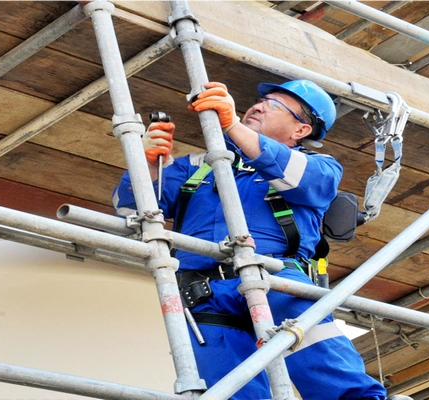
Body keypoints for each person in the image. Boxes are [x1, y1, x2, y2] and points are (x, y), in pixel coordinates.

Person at [113, 80, 390, 400]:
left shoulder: (321, 168)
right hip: (203, 292)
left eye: (274, 106)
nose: (258, 106)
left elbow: (294, 174)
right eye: (260, 100)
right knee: (227, 393)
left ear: (300, 131)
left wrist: (231, 126)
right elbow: (130, 211)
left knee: (333, 377)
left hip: (276, 279)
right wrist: (147, 164)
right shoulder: (196, 167)